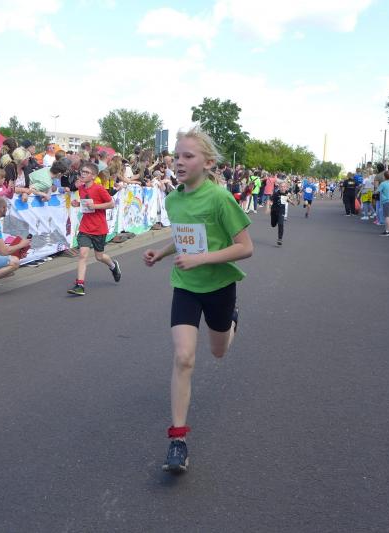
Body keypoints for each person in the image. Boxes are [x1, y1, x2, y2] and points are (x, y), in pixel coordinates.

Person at [142, 126, 252, 474]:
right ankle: (178, 441)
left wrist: (201, 259)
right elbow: (184, 237)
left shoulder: (219, 198)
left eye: (188, 156)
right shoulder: (174, 200)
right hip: (186, 285)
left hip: (219, 286)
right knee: (184, 357)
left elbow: (245, 247)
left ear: (208, 163)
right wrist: (160, 253)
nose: (179, 162)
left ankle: (232, 320)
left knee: (218, 351)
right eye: (176, 156)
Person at [67, 161, 121, 296]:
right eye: (82, 172)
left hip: (99, 228)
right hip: (85, 227)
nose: (82, 174)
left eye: (86, 172)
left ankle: (113, 266)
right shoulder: (81, 188)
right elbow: (86, 203)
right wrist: (77, 203)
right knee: (83, 254)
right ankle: (80, 285)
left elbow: (111, 204)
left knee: (99, 256)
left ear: (93, 176)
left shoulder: (99, 189)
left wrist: (95, 206)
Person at [270, 180, 289, 245]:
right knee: (273, 225)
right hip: (274, 211)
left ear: (286, 187)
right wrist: (268, 207)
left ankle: (280, 239)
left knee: (281, 224)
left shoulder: (287, 193)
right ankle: (274, 222)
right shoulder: (276, 194)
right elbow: (270, 200)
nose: (282, 188)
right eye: (281, 187)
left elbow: (290, 200)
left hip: (281, 211)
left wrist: (296, 201)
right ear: (279, 187)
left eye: (284, 187)